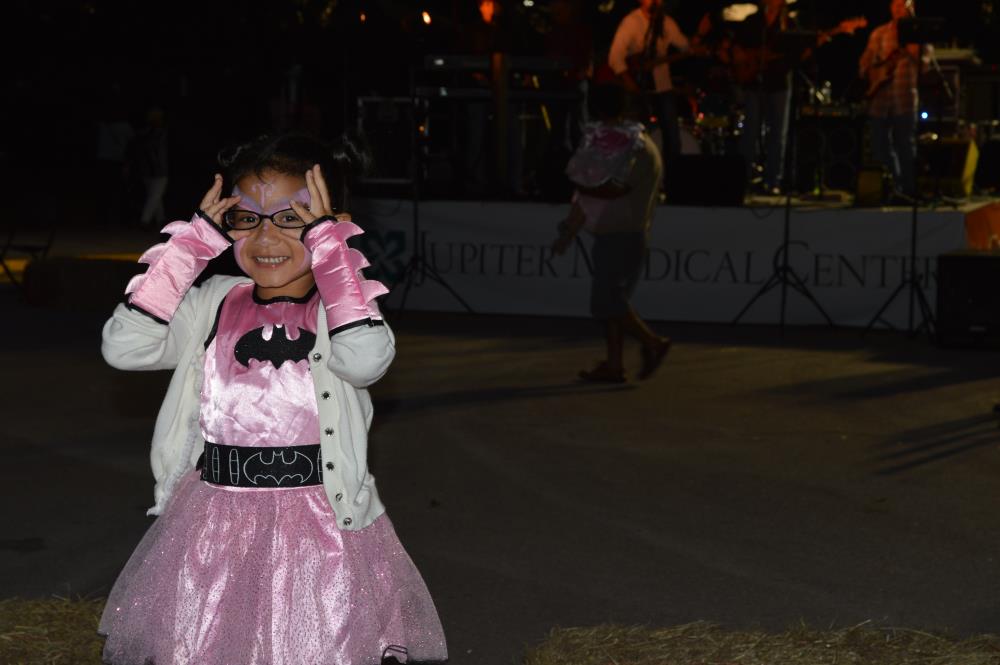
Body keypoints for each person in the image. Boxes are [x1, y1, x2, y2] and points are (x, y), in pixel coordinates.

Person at [98, 132, 448, 665]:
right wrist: (189, 249)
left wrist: (333, 255)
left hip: (320, 525)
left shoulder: (341, 313)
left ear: (329, 222)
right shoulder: (213, 302)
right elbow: (125, 347)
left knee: (313, 647)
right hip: (213, 522)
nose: (266, 237)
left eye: (291, 219)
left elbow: (365, 361)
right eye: (246, 218)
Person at [553, 73, 672, 383]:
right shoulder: (630, 142)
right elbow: (597, 190)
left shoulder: (629, 146)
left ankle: (652, 343)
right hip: (625, 232)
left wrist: (578, 184)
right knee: (614, 303)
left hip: (622, 233)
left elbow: (612, 189)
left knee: (608, 303)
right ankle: (615, 364)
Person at [608, 0, 693, 195]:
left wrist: (696, 41)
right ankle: (631, 182)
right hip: (638, 89)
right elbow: (615, 56)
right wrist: (628, 81)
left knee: (672, 136)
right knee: (634, 137)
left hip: (662, 87)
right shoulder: (631, 22)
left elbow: (685, 45)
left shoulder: (667, 23)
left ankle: (674, 184)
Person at [859, 0, 930, 200]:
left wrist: (913, 49)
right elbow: (864, 65)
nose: (899, 9)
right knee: (880, 145)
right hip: (880, 100)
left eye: (903, 5)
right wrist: (875, 73)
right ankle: (888, 187)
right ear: (891, 8)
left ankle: (907, 190)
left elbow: (926, 67)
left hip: (904, 97)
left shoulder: (918, 35)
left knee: (906, 145)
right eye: (896, 5)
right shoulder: (879, 33)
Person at [130, 106, 170, 227]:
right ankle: (145, 221)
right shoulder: (153, 132)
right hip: (154, 170)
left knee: (155, 196)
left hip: (151, 169)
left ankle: (159, 220)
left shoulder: (148, 132)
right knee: (154, 196)